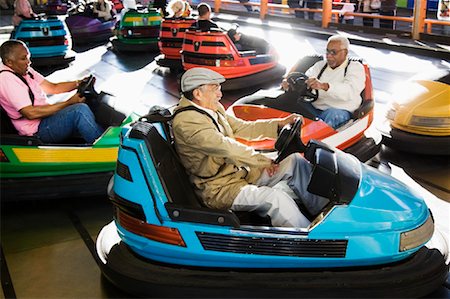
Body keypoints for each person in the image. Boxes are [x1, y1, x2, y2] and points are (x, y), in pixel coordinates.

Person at [172, 67, 330, 228]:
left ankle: (324, 212)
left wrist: (279, 124)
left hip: (239, 172)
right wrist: (263, 161)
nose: (220, 94)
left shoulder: (213, 108)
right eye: (215, 89)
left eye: (219, 88)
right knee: (276, 199)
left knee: (293, 160)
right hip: (219, 188)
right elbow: (227, 148)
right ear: (198, 94)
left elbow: (241, 127)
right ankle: (312, 237)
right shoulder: (187, 122)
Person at [0, 40, 104, 144]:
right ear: (9, 62)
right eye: (23, 59)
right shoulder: (7, 79)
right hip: (38, 131)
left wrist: (79, 83)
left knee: (90, 102)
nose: (28, 62)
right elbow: (30, 113)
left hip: (46, 119)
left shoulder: (25, 71)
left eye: (28, 57)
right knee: (79, 111)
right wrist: (69, 102)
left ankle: (105, 137)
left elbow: (53, 87)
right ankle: (104, 148)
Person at [282, 35, 365, 129]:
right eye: (327, 51)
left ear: (345, 52)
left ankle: (313, 138)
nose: (329, 56)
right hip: (314, 107)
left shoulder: (355, 67)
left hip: (339, 109)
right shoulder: (319, 66)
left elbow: (350, 91)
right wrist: (290, 86)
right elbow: (305, 80)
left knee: (332, 116)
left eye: (333, 52)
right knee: (289, 104)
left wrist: (324, 86)